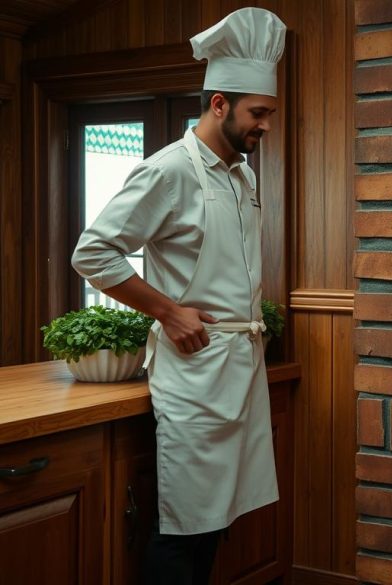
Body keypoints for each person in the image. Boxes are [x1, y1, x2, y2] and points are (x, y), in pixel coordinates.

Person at [71, 8, 286, 584]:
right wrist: (168, 312)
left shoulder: (242, 175)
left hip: (239, 370)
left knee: (216, 522)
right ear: (219, 104)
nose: (266, 125)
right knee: (185, 525)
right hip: (194, 376)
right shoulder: (167, 171)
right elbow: (93, 253)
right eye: (258, 113)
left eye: (268, 113)